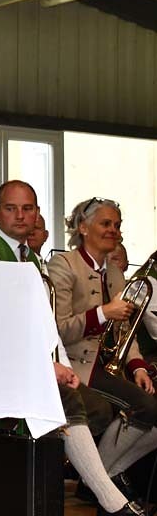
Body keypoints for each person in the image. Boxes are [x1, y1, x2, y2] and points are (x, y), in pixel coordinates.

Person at [0, 181, 140, 516]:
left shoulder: (35, 260)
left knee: (81, 402)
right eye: (11, 208)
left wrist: (62, 365)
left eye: (27, 209)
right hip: (3, 365)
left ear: (37, 213)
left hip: (38, 363)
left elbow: (47, 324)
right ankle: (109, 500)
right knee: (68, 401)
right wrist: (45, 366)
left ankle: (90, 491)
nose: (20, 216)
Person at [49, 198, 157, 512]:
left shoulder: (114, 272)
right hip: (75, 364)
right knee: (137, 407)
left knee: (152, 408)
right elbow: (58, 329)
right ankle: (104, 487)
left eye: (117, 225)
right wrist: (102, 313)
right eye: (106, 224)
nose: (114, 230)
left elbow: (126, 330)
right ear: (83, 228)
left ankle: (104, 479)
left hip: (106, 366)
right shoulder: (64, 265)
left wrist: (137, 366)